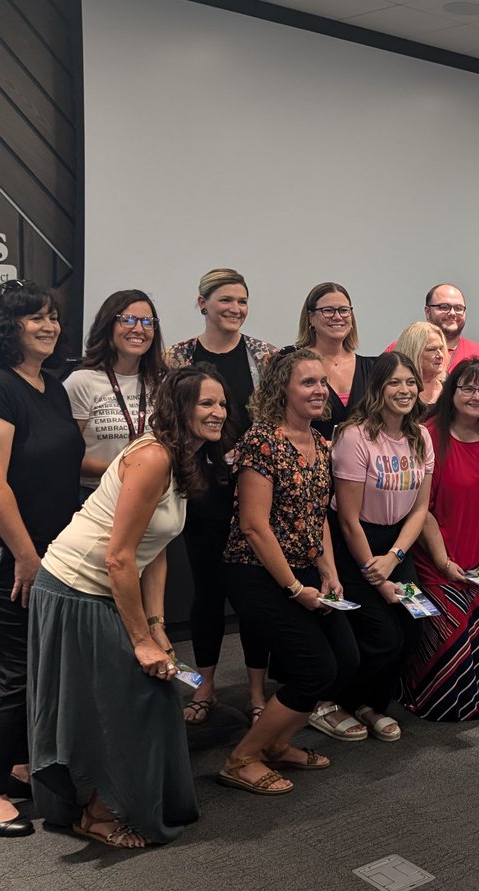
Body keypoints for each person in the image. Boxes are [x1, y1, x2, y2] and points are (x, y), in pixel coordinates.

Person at [28, 364, 226, 846]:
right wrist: (140, 640)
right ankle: (96, 815)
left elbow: (152, 553)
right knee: (132, 702)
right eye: (206, 403)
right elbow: (118, 558)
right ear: (179, 408)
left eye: (221, 404)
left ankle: (102, 804)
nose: (218, 412)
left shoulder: (184, 461)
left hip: (105, 589)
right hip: (75, 589)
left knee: (149, 699)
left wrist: (156, 626)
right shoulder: (154, 456)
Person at [0, 279, 83, 838]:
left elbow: (62, 464)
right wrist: (26, 557)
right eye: (34, 318)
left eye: (52, 316)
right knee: (18, 671)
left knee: (39, 668)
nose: (48, 325)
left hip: (42, 554)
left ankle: (17, 763)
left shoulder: (50, 387)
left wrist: (137, 462)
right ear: (8, 327)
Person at [218, 348, 360, 793]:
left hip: (304, 573)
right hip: (258, 574)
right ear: (283, 389)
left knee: (345, 661)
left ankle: (277, 746)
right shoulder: (262, 441)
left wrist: (330, 573)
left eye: (323, 382)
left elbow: (317, 516)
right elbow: (254, 527)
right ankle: (241, 758)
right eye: (308, 383)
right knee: (313, 669)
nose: (320, 390)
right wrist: (296, 587)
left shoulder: (321, 444)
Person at [167, 268, 276, 726]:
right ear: (202, 303)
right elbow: (172, 418)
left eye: (242, 301)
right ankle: (205, 685)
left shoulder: (264, 355)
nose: (235, 309)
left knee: (253, 593)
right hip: (203, 493)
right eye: (225, 300)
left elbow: (270, 419)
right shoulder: (179, 356)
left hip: (253, 490)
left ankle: (256, 690)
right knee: (207, 593)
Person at [315, 352, 433, 743]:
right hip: (356, 546)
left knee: (414, 628)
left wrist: (395, 558)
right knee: (384, 637)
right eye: (394, 383)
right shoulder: (355, 436)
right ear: (378, 389)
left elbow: (420, 511)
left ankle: (371, 705)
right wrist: (378, 577)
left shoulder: (421, 436)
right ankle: (339, 701)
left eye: (410, 383)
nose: (404, 390)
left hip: (396, 545)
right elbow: (347, 520)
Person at [402, 357, 479, 720]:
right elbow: (422, 509)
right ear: (452, 393)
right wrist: (443, 561)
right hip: (437, 560)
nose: (476, 396)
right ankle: (431, 702)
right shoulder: (429, 434)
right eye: (467, 387)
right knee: (447, 639)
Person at [64, 290, 167, 499]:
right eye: (128, 320)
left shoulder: (161, 382)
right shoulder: (82, 381)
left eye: (147, 322)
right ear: (108, 325)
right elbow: (65, 456)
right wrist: (127, 466)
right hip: (95, 496)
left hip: (149, 496)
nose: (139, 329)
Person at [384, 284, 479, 416]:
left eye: (459, 308)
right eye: (444, 307)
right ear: (427, 311)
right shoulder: (398, 350)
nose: (453, 313)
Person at [295, 282, 376, 438]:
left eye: (344, 310)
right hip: (309, 460)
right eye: (328, 310)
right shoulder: (293, 365)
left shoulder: (373, 368)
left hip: (362, 462)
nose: (337, 316)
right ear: (310, 318)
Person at [392, 321, 448, 414]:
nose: (440, 355)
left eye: (441, 349)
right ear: (414, 352)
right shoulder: (396, 389)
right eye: (431, 349)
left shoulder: (450, 384)